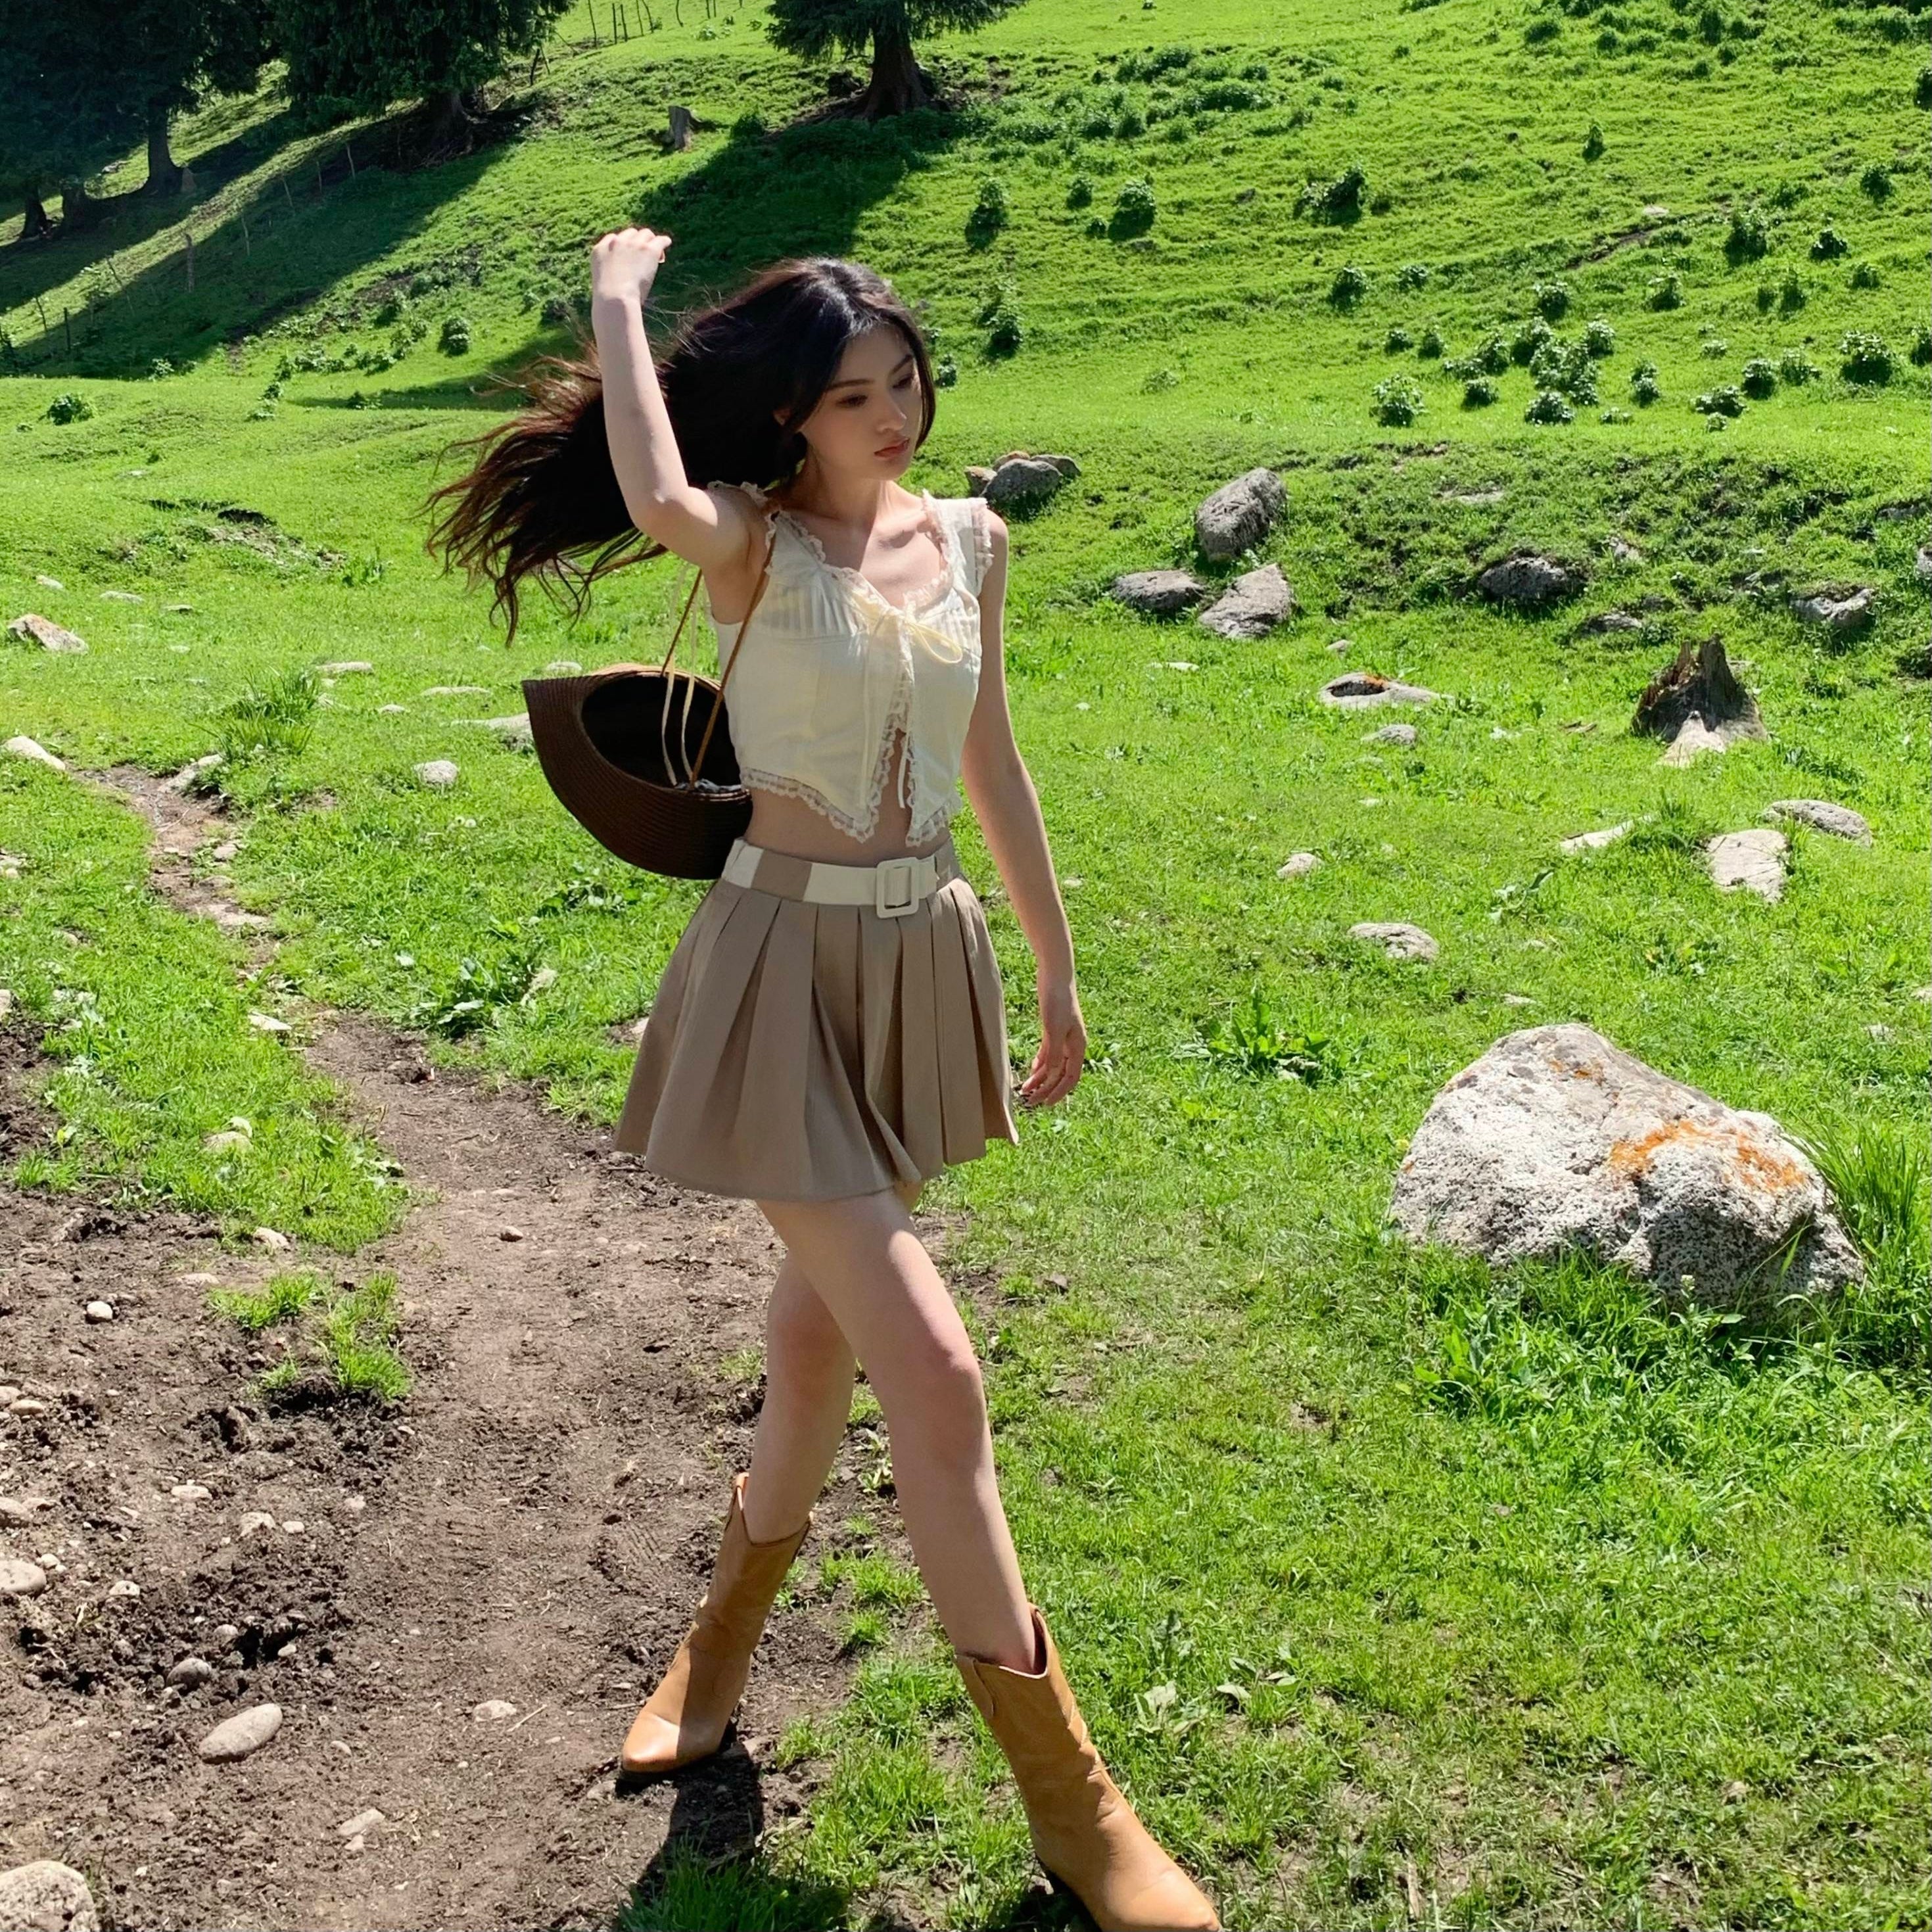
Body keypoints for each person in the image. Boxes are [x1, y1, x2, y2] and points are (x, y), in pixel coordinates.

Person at [427, 231, 1218, 1932]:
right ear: (789, 414)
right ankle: (1076, 1809)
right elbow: (651, 488)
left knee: (813, 1341)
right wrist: (618, 304)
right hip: (779, 973)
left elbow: (990, 752)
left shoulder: (972, 542)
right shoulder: (750, 543)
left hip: (918, 958)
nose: (894, 415)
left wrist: (1056, 961)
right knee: (933, 1370)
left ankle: (714, 1655)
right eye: (855, 395)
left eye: (906, 382)